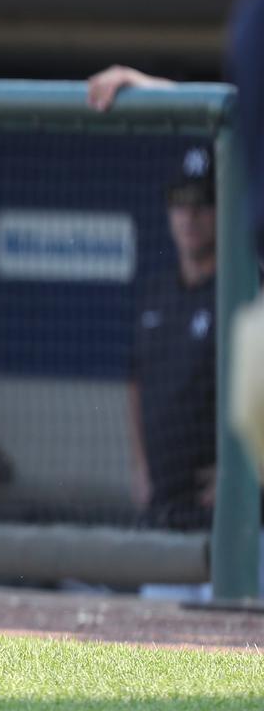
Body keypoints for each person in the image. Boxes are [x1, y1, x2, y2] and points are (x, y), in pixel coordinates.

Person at [125, 145, 219, 531]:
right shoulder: (157, 293)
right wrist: (141, 467)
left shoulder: (245, 291)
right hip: (163, 510)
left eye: (203, 203)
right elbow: (135, 382)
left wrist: (245, 474)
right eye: (180, 203)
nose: (190, 216)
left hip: (228, 522)